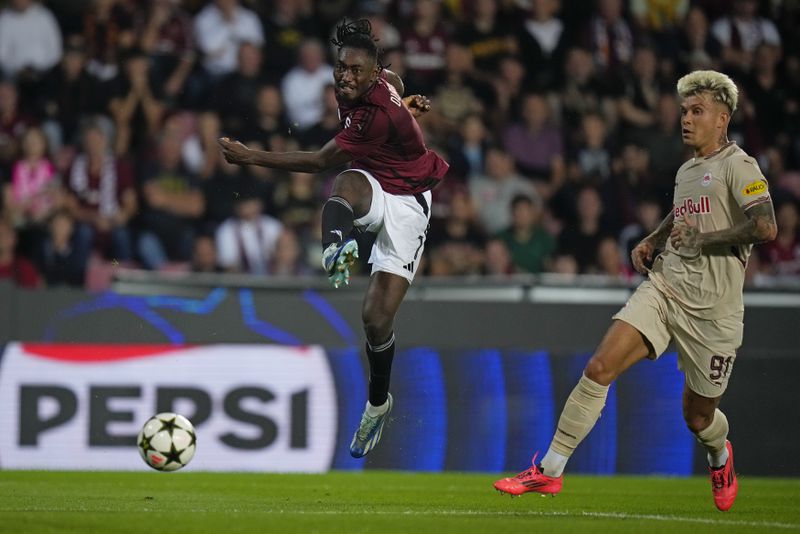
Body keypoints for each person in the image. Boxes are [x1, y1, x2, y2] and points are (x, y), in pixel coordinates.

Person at [494, 70, 777, 512]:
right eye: (684, 111)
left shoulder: (739, 166)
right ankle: (549, 471)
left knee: (698, 418)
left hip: (714, 313)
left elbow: (765, 225)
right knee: (599, 366)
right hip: (665, 289)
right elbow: (682, 214)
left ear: (722, 119)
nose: (686, 119)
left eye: (697, 111)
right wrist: (655, 238)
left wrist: (704, 240)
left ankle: (720, 455)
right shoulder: (687, 170)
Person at [219, 18, 447, 458]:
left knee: (375, 319)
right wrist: (409, 106)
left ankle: (377, 406)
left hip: (409, 202)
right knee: (348, 183)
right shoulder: (383, 81)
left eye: (355, 70)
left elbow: (316, 162)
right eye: (341, 67)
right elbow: (396, 82)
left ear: (371, 71)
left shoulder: (373, 116)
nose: (345, 76)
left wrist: (251, 157)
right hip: (376, 184)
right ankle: (335, 246)